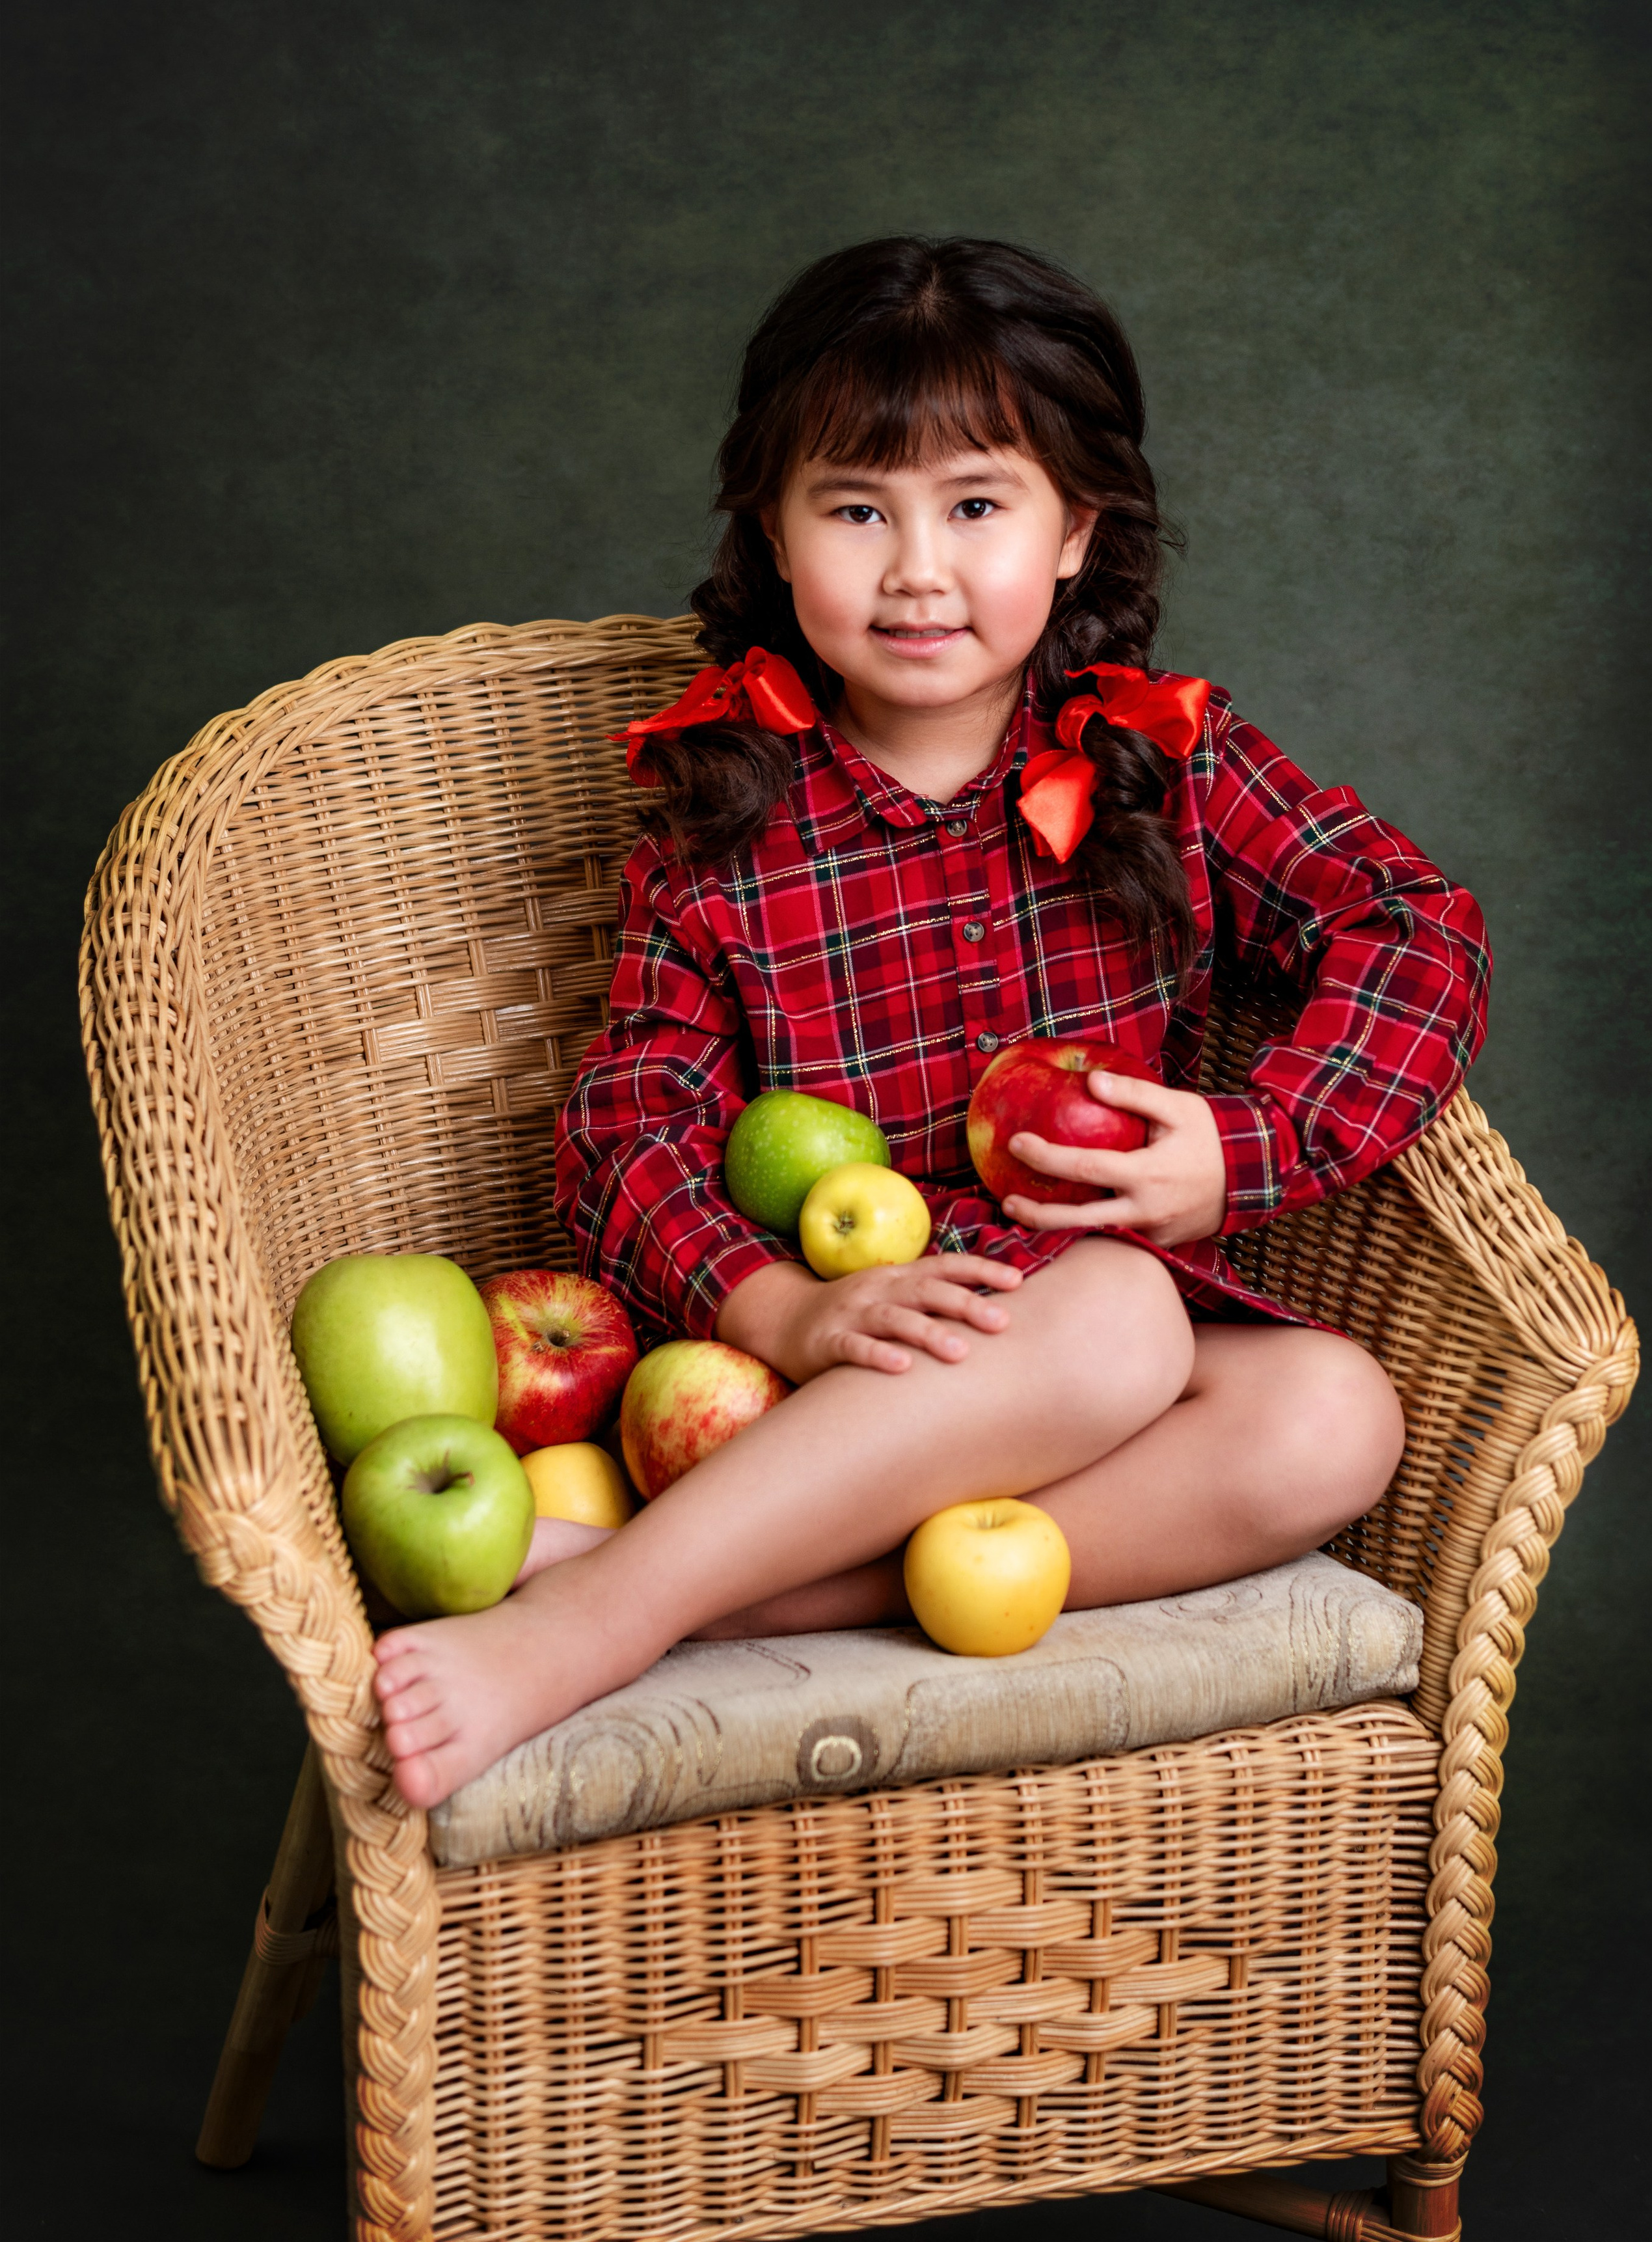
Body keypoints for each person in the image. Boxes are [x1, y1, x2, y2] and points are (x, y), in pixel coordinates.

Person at [373, 236, 1489, 1810]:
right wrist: (779, 1311)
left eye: (975, 506)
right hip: (849, 1354)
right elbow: (628, 1129)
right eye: (854, 510)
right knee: (1112, 1318)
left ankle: (690, 1585)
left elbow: (1407, 924)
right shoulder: (724, 821)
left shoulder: (1160, 760)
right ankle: (598, 1627)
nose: (916, 567)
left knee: (1328, 1419)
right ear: (770, 534)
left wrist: (1238, 1151)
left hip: (1114, 1336)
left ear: (1076, 532)